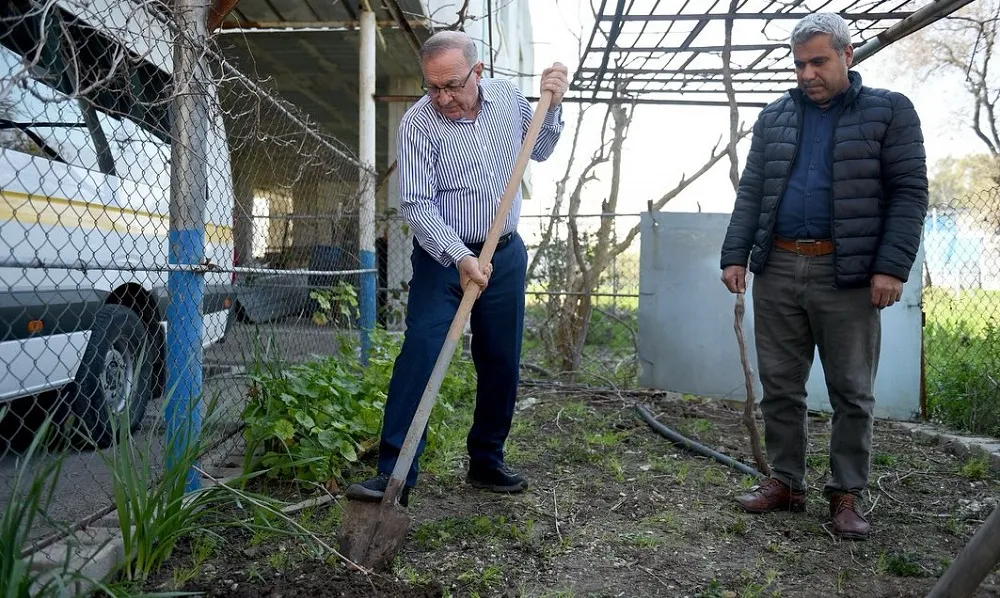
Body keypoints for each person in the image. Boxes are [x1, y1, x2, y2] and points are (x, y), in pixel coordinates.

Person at [719, 12, 928, 540]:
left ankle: (847, 493)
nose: (807, 73)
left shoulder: (889, 111)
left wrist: (890, 266)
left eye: (819, 61)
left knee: (852, 391)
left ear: (847, 56)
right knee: (781, 386)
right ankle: (786, 482)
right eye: (799, 64)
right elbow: (752, 191)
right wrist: (734, 253)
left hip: (849, 272)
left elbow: (909, 192)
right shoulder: (776, 117)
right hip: (781, 266)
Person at [344, 30, 568, 506]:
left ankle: (487, 461)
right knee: (421, 351)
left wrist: (556, 103)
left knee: (501, 358)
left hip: (504, 254)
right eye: (433, 87)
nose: (443, 97)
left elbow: (541, 147)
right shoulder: (418, 124)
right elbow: (418, 205)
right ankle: (394, 473)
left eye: (452, 85)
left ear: (478, 71)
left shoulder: (508, 99)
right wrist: (462, 258)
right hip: (444, 256)